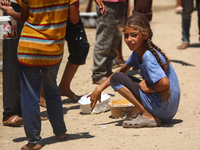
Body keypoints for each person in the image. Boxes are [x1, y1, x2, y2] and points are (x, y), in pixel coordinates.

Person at [0, 0, 77, 149]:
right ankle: (60, 132)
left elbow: (23, 18)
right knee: (52, 89)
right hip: (54, 49)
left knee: (30, 95)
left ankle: (34, 141)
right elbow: (74, 19)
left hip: (30, 47)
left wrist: (9, 12)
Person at [88, 14, 180, 128]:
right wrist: (99, 88)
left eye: (134, 35)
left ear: (145, 35)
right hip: (167, 109)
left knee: (116, 79)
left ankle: (147, 115)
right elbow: (122, 71)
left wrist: (149, 89)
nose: (129, 40)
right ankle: (149, 112)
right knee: (119, 77)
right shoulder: (138, 52)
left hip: (163, 108)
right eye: (126, 36)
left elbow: (165, 83)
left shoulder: (148, 57)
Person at [92, 0, 127, 84]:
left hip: (121, 2)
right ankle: (98, 74)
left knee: (115, 39)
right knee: (104, 40)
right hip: (106, 4)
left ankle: (108, 70)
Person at [2, 0, 23, 126]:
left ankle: (25, 111)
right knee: (11, 60)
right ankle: (10, 113)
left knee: (30, 61)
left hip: (33, 7)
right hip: (11, 7)